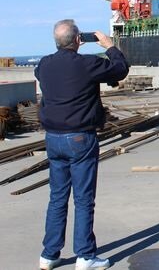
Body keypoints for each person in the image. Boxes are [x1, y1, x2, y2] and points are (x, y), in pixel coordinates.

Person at [36, 20, 129, 270]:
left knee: (57, 197)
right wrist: (109, 46)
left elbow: (47, 77)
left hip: (53, 138)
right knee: (83, 199)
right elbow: (120, 69)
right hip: (80, 138)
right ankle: (85, 256)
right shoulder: (88, 64)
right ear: (78, 40)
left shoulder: (43, 65)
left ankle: (49, 254)